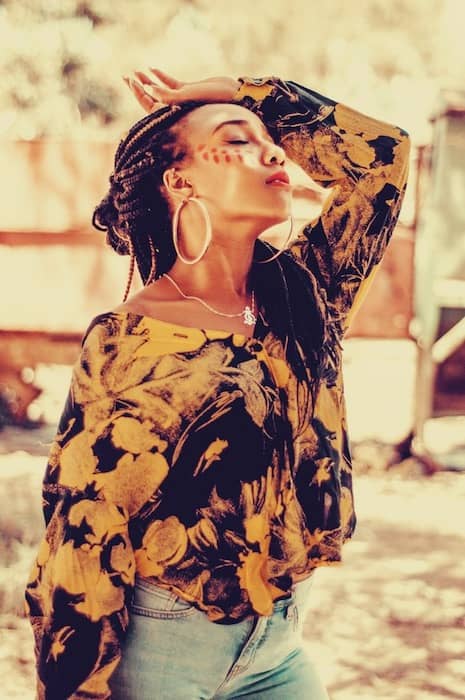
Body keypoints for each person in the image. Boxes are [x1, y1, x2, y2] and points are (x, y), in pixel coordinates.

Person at [25, 68, 410, 699]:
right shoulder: (127, 341)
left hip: (279, 647)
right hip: (163, 651)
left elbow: (383, 159)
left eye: (272, 141)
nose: (274, 152)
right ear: (180, 180)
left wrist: (243, 94)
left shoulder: (306, 292)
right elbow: (83, 530)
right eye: (237, 140)